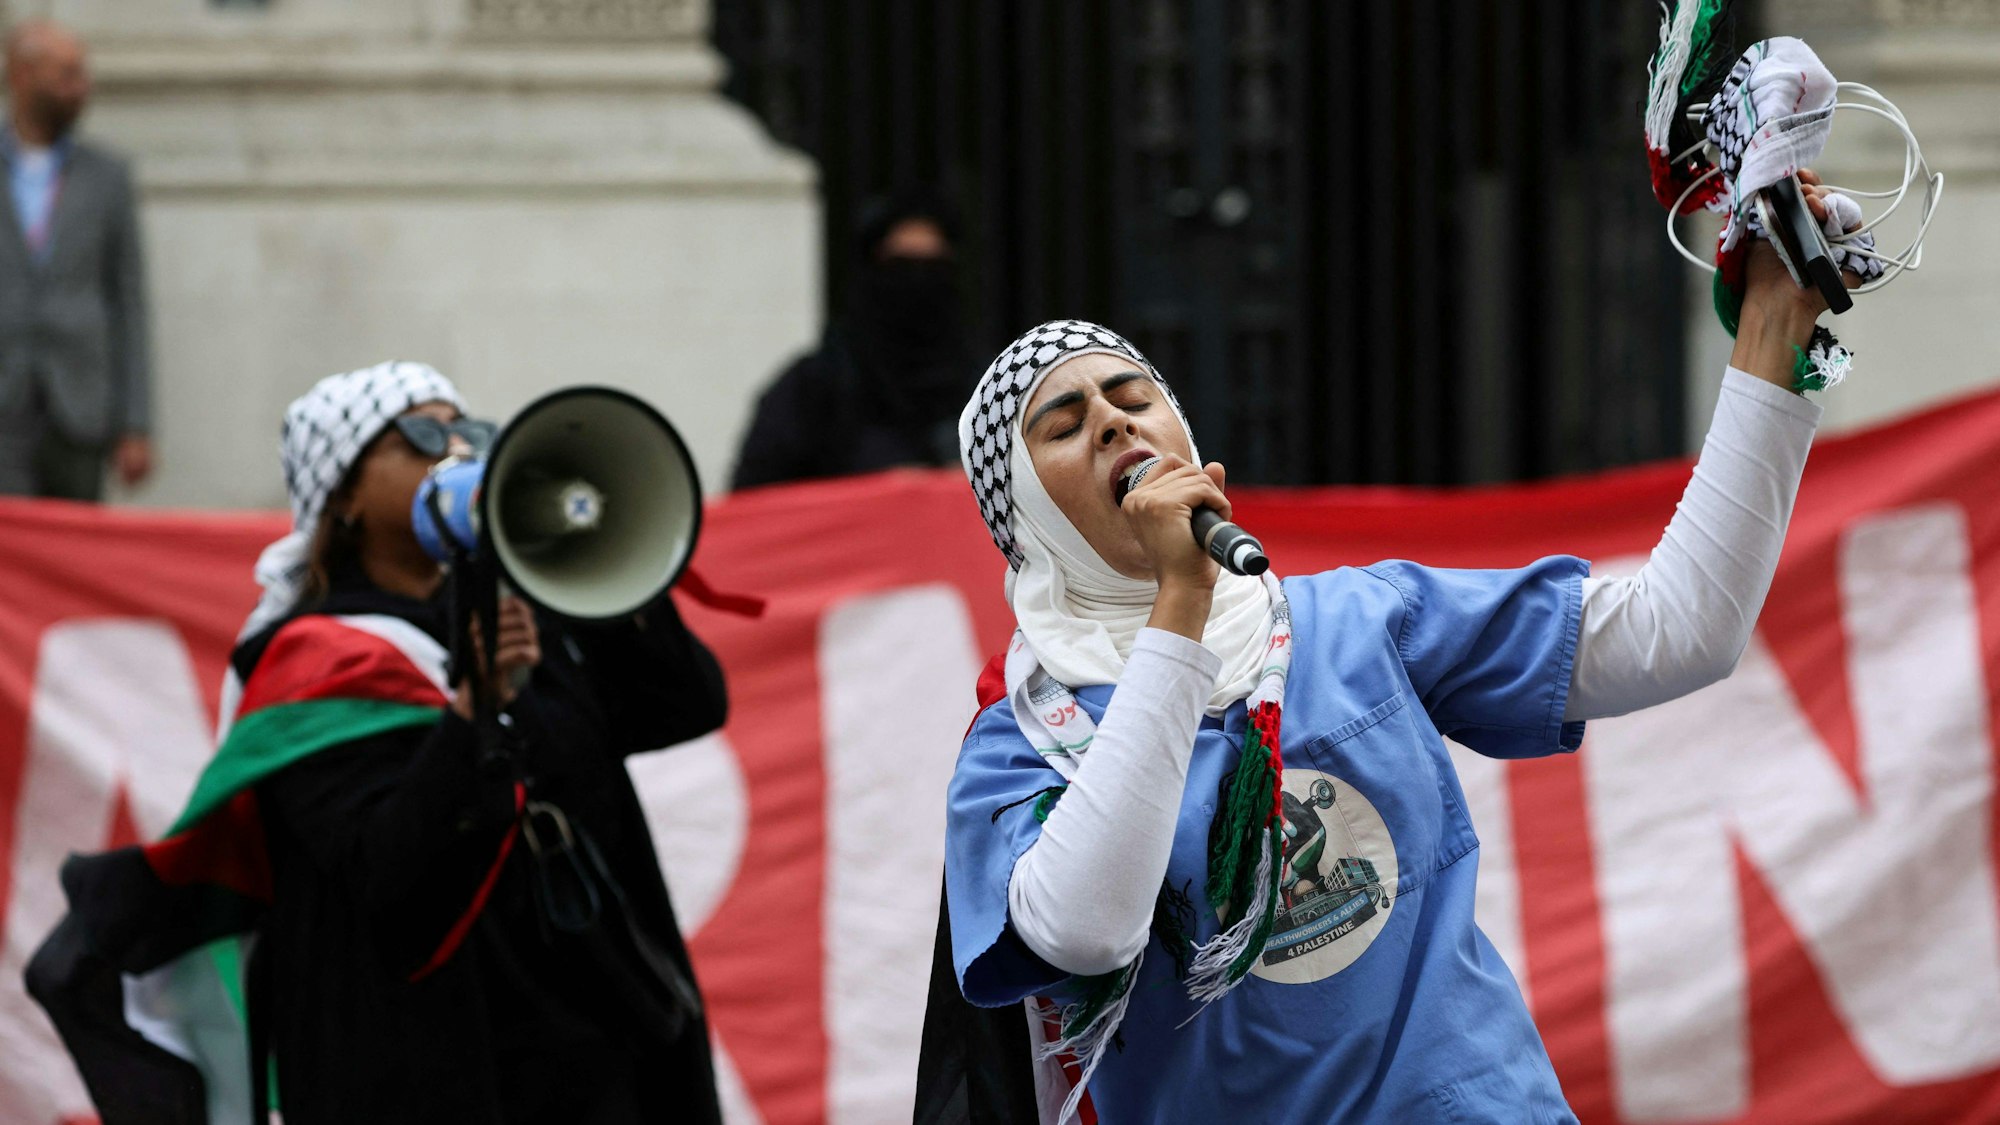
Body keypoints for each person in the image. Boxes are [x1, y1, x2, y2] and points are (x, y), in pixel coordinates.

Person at [926, 177, 1863, 1122]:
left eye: (1131, 395)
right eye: (1062, 424)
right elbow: (1087, 929)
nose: (1112, 419)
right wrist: (1181, 603)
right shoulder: (1016, 748)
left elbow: (1683, 628)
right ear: (1029, 523)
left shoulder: (1362, 619)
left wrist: (1772, 336)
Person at [28, 361, 726, 1124]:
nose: (457, 448)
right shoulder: (317, 662)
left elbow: (683, 705)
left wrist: (605, 562)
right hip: (433, 1061)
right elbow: (390, 875)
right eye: (422, 434)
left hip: (591, 1048)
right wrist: (472, 713)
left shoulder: (522, 610)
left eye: (470, 429)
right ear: (346, 494)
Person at [731, 190, 975, 489]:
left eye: (934, 267)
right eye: (901, 266)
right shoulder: (813, 389)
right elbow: (757, 505)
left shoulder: (986, 388)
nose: (918, 282)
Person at [0, 20, 151, 500]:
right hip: (6, 406)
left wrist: (135, 423)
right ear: (22, 75)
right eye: (66, 74)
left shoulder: (106, 176)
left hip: (79, 411)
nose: (81, 88)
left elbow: (128, 301)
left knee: (71, 552)